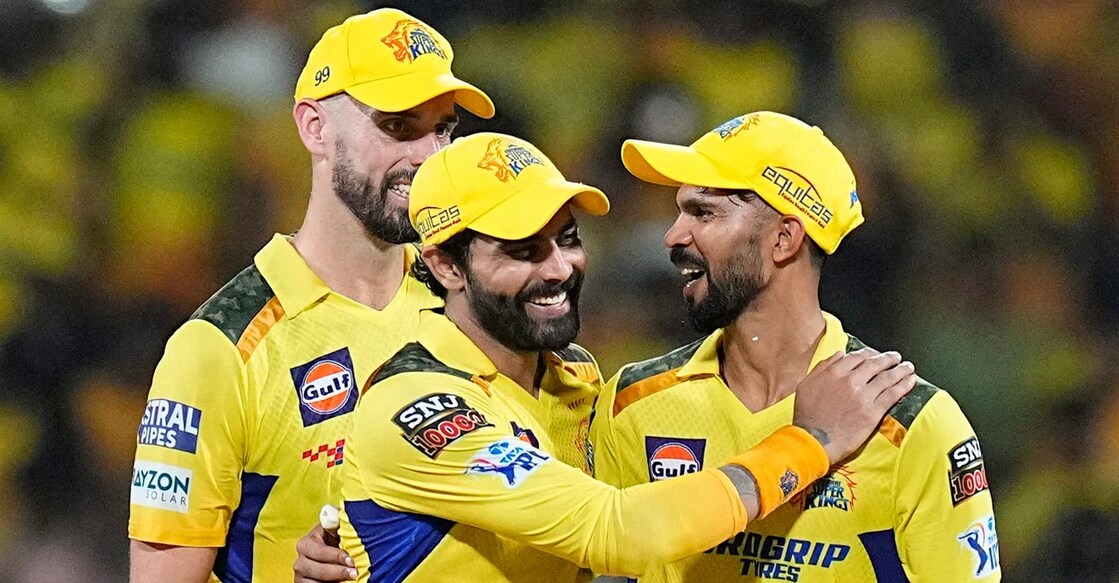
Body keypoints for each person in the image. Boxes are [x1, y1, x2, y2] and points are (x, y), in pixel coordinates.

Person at [326, 131, 916, 583]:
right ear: (446, 266)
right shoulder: (418, 405)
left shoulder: (578, 381)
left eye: (567, 239)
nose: (558, 269)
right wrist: (810, 441)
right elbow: (620, 531)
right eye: (522, 251)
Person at [127, 9, 495, 582]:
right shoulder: (219, 349)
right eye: (398, 127)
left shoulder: (468, 302)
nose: (429, 156)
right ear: (315, 128)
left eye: (442, 130)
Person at [590, 111, 1000, 581]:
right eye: (680, 212)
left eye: (704, 213)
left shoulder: (910, 426)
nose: (673, 236)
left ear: (784, 239)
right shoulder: (632, 402)